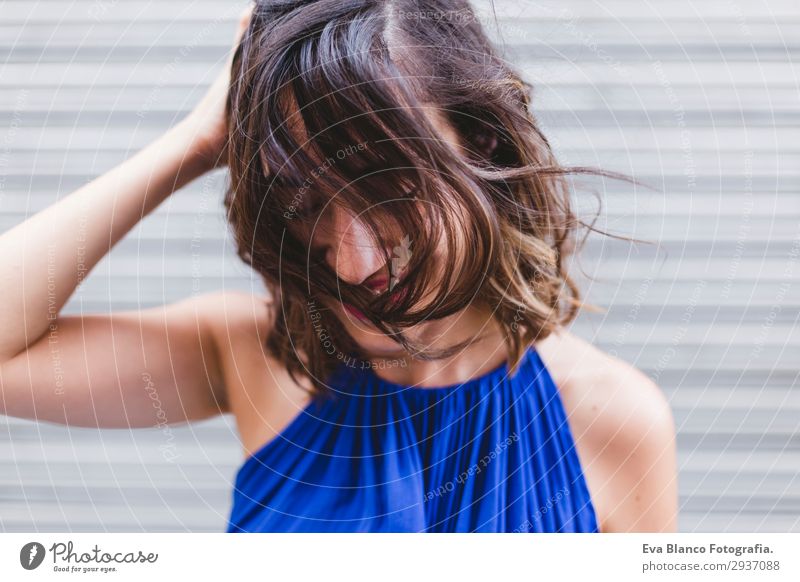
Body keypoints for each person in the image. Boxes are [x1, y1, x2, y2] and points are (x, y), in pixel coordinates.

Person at [0, 0, 677, 532]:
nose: (350, 264)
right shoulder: (259, 354)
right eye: (303, 198)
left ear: (481, 143)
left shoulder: (612, 419)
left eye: (389, 188)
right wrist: (200, 139)